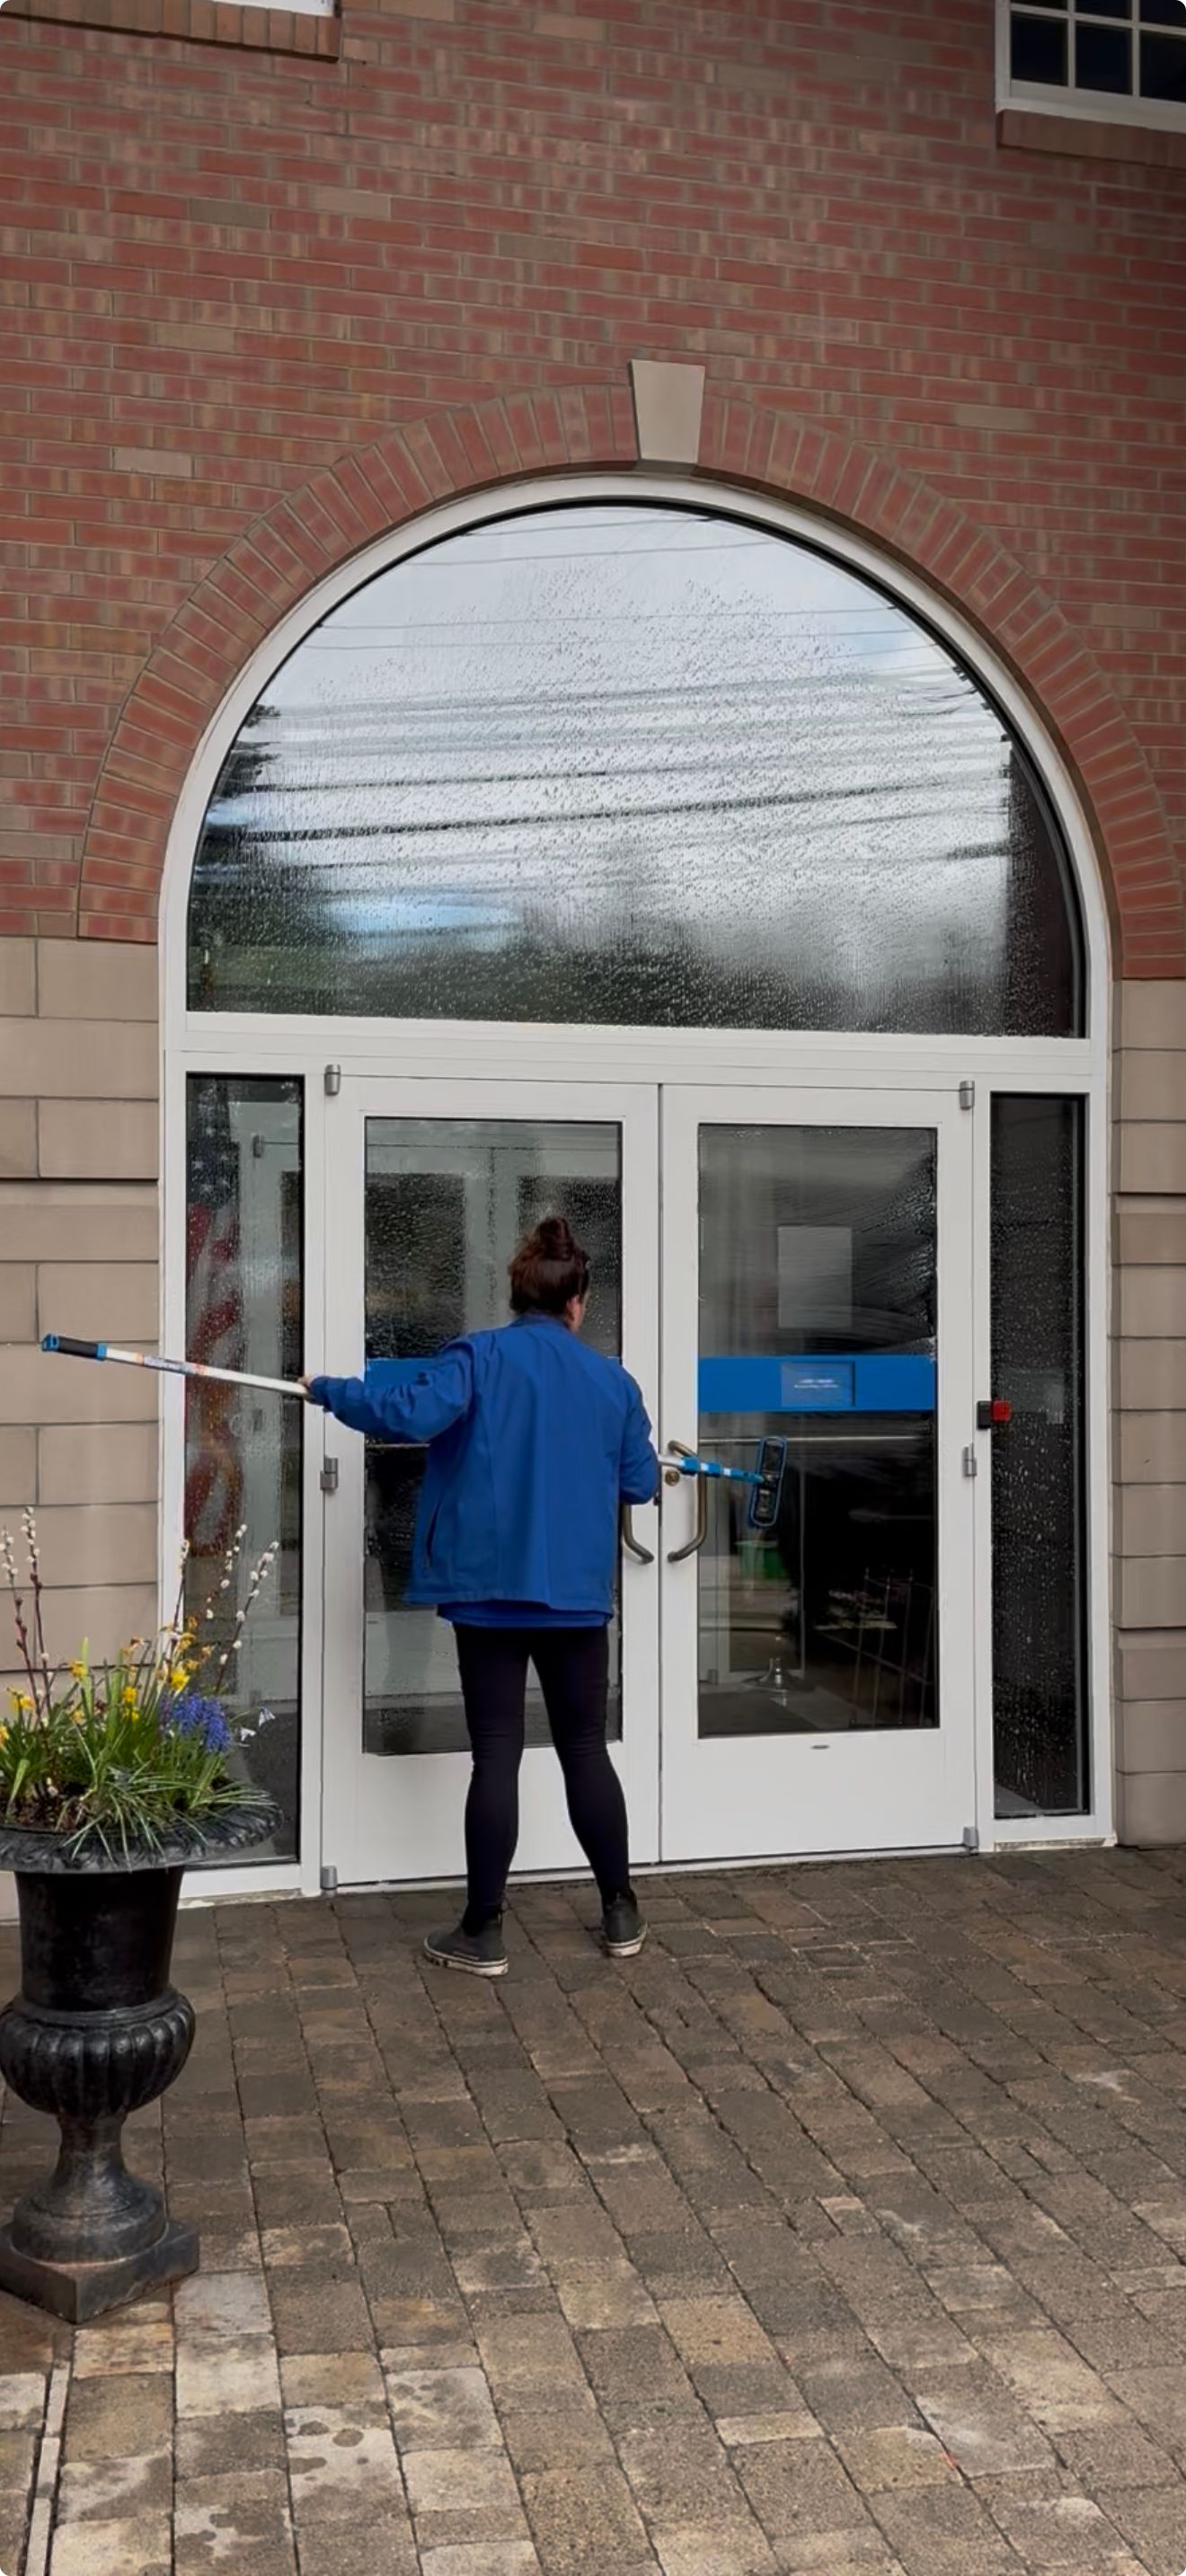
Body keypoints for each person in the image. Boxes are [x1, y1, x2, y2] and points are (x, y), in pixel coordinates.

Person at [305, 1216, 659, 1979]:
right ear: (578, 1303)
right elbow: (638, 1482)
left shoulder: (479, 1356)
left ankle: (483, 1930)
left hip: (489, 1598)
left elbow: (406, 1415)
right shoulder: (614, 1383)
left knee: (496, 1753)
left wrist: (329, 1392)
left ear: (519, 1294)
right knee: (584, 1748)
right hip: (574, 1601)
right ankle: (621, 1910)